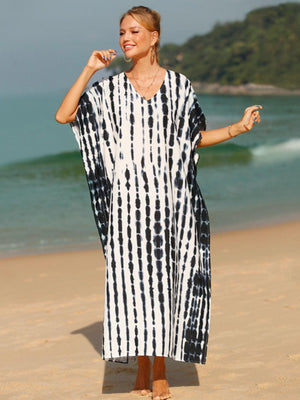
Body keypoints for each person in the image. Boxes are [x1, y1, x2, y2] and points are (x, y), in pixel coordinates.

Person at [56, 5, 262, 400]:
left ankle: (161, 369)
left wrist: (237, 127)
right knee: (134, 287)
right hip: (128, 208)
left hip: (173, 206)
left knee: (166, 285)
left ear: (154, 37)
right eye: (121, 33)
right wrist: (89, 70)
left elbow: (194, 137)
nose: (125, 38)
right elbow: (65, 115)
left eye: (134, 31)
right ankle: (142, 366)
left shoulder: (180, 86)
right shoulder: (110, 90)